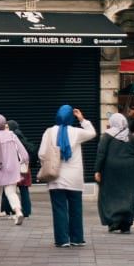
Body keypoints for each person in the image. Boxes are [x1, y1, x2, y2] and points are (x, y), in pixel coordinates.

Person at [40, 105, 96, 247]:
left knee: (59, 209)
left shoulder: (49, 131)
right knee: (76, 208)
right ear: (71, 117)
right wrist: (82, 119)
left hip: (55, 176)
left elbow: (41, 153)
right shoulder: (76, 132)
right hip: (75, 178)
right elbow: (92, 133)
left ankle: (62, 239)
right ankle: (77, 239)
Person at [95, 114, 134, 233]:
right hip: (130, 170)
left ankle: (113, 221)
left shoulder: (107, 135)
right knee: (128, 195)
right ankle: (126, 224)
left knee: (110, 194)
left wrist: (97, 170)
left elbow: (101, 154)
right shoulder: (130, 136)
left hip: (111, 169)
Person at [0, 115, 28, 226]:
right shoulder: (12, 135)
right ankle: (18, 212)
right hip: (12, 169)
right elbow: (25, 154)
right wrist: (21, 163)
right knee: (11, 193)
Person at [0, 120, 36, 219]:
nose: (5, 129)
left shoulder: (13, 137)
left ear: (11, 128)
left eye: (7, 127)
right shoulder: (21, 137)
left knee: (9, 189)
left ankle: (8, 210)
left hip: (15, 167)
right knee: (23, 190)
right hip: (24, 168)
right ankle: (26, 211)